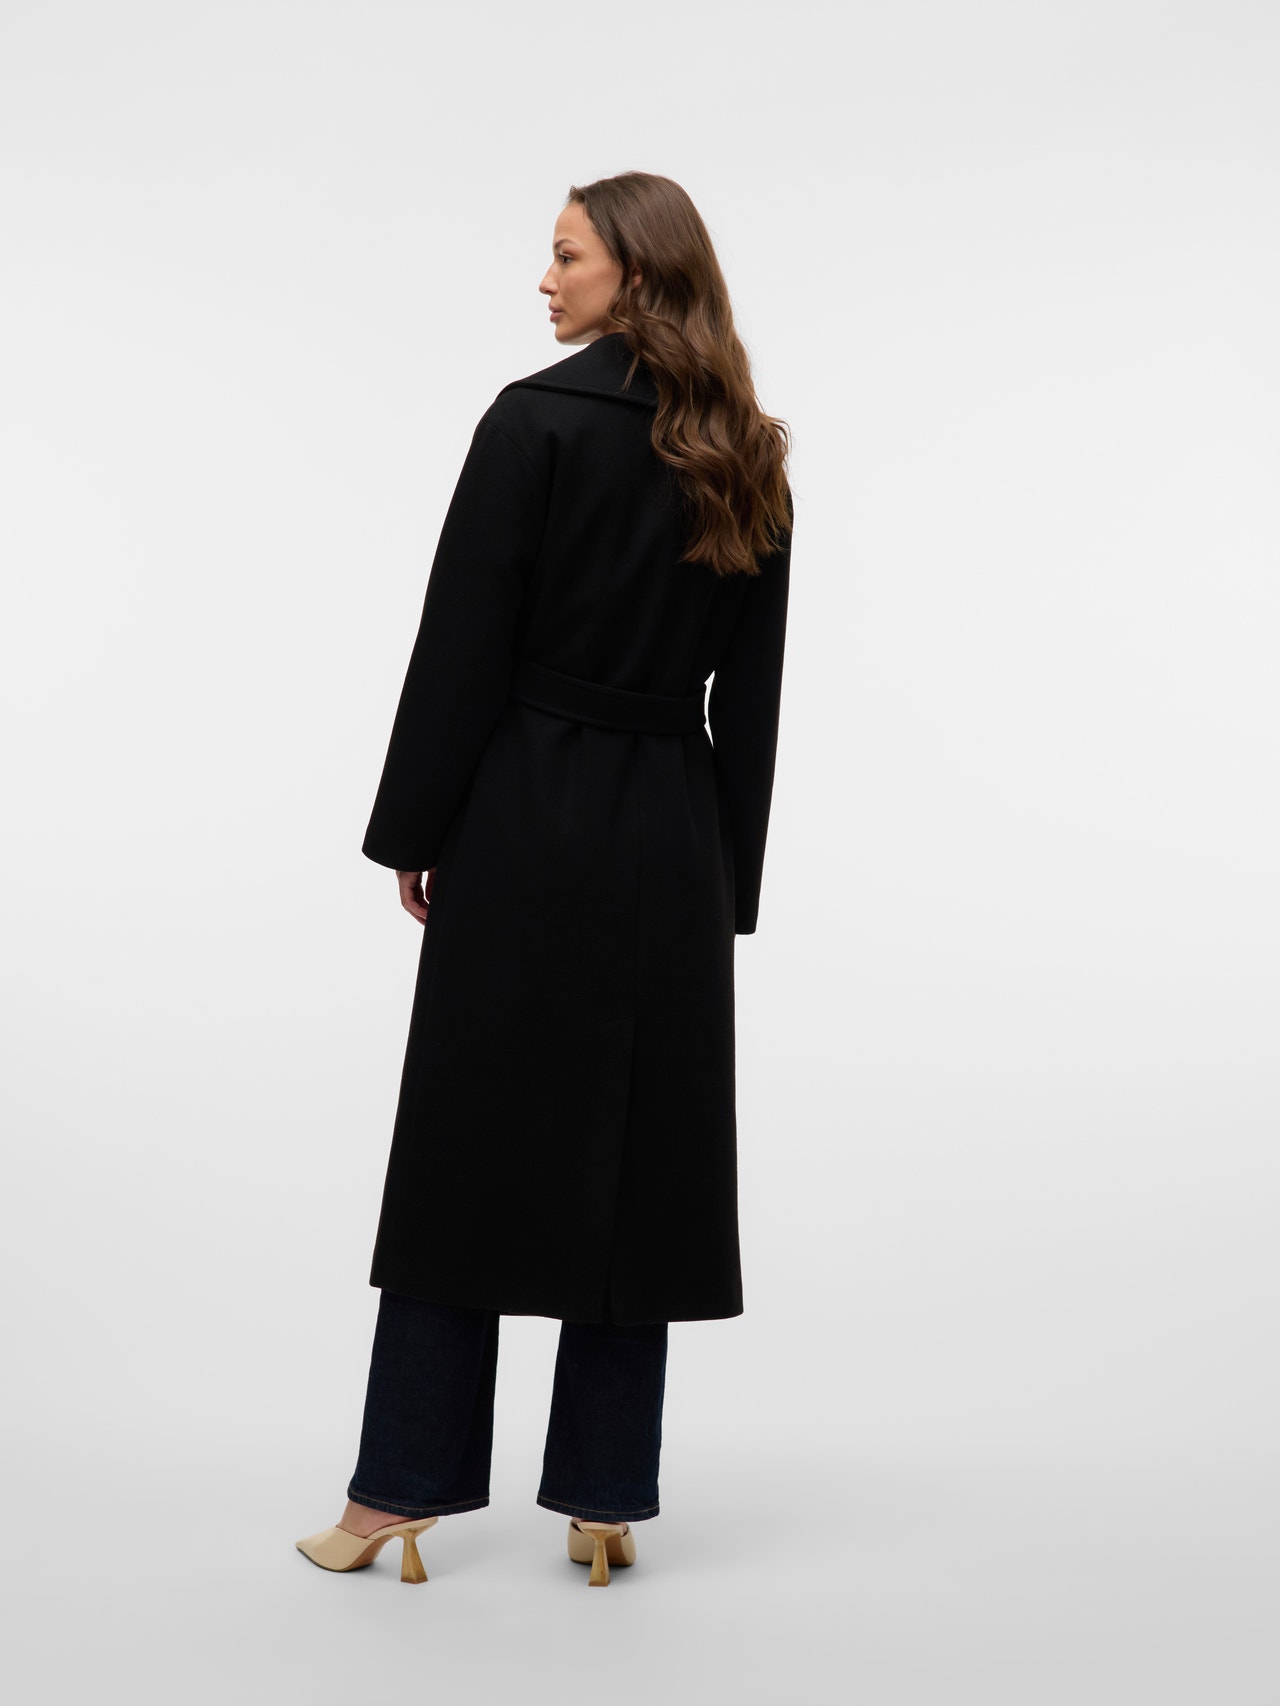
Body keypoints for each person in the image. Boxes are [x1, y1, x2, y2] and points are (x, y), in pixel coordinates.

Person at [296, 170, 793, 1588]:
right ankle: (603, 1498)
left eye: (567, 255)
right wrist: (727, 881)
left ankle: (395, 1492)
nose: (546, 278)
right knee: (637, 1163)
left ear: (636, 272)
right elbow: (752, 700)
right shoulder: (746, 449)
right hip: (668, 836)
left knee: (462, 1149)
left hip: (522, 819)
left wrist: (416, 827)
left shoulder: (532, 421)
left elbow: (462, 642)